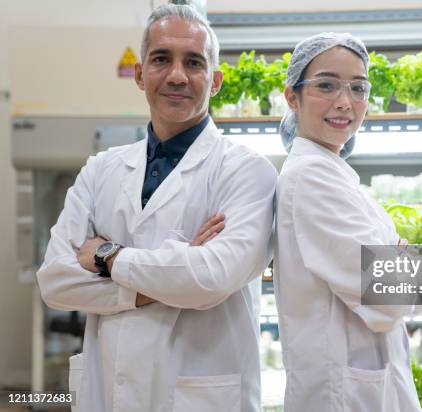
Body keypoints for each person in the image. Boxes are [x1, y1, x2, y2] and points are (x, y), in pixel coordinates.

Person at [36, 4, 276, 412]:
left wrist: (107, 256)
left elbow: (212, 277)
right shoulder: (101, 170)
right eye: (162, 59)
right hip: (108, 391)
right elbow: (55, 281)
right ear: (140, 74)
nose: (177, 75)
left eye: (194, 62)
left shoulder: (248, 172)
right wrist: (166, 282)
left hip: (201, 395)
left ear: (215, 81)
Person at [274, 33, 422, 411]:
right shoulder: (310, 178)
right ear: (292, 96)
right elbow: (390, 299)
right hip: (340, 396)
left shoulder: (334, 173)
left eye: (358, 88)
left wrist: (403, 266)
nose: (345, 102)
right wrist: (409, 263)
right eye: (326, 85)